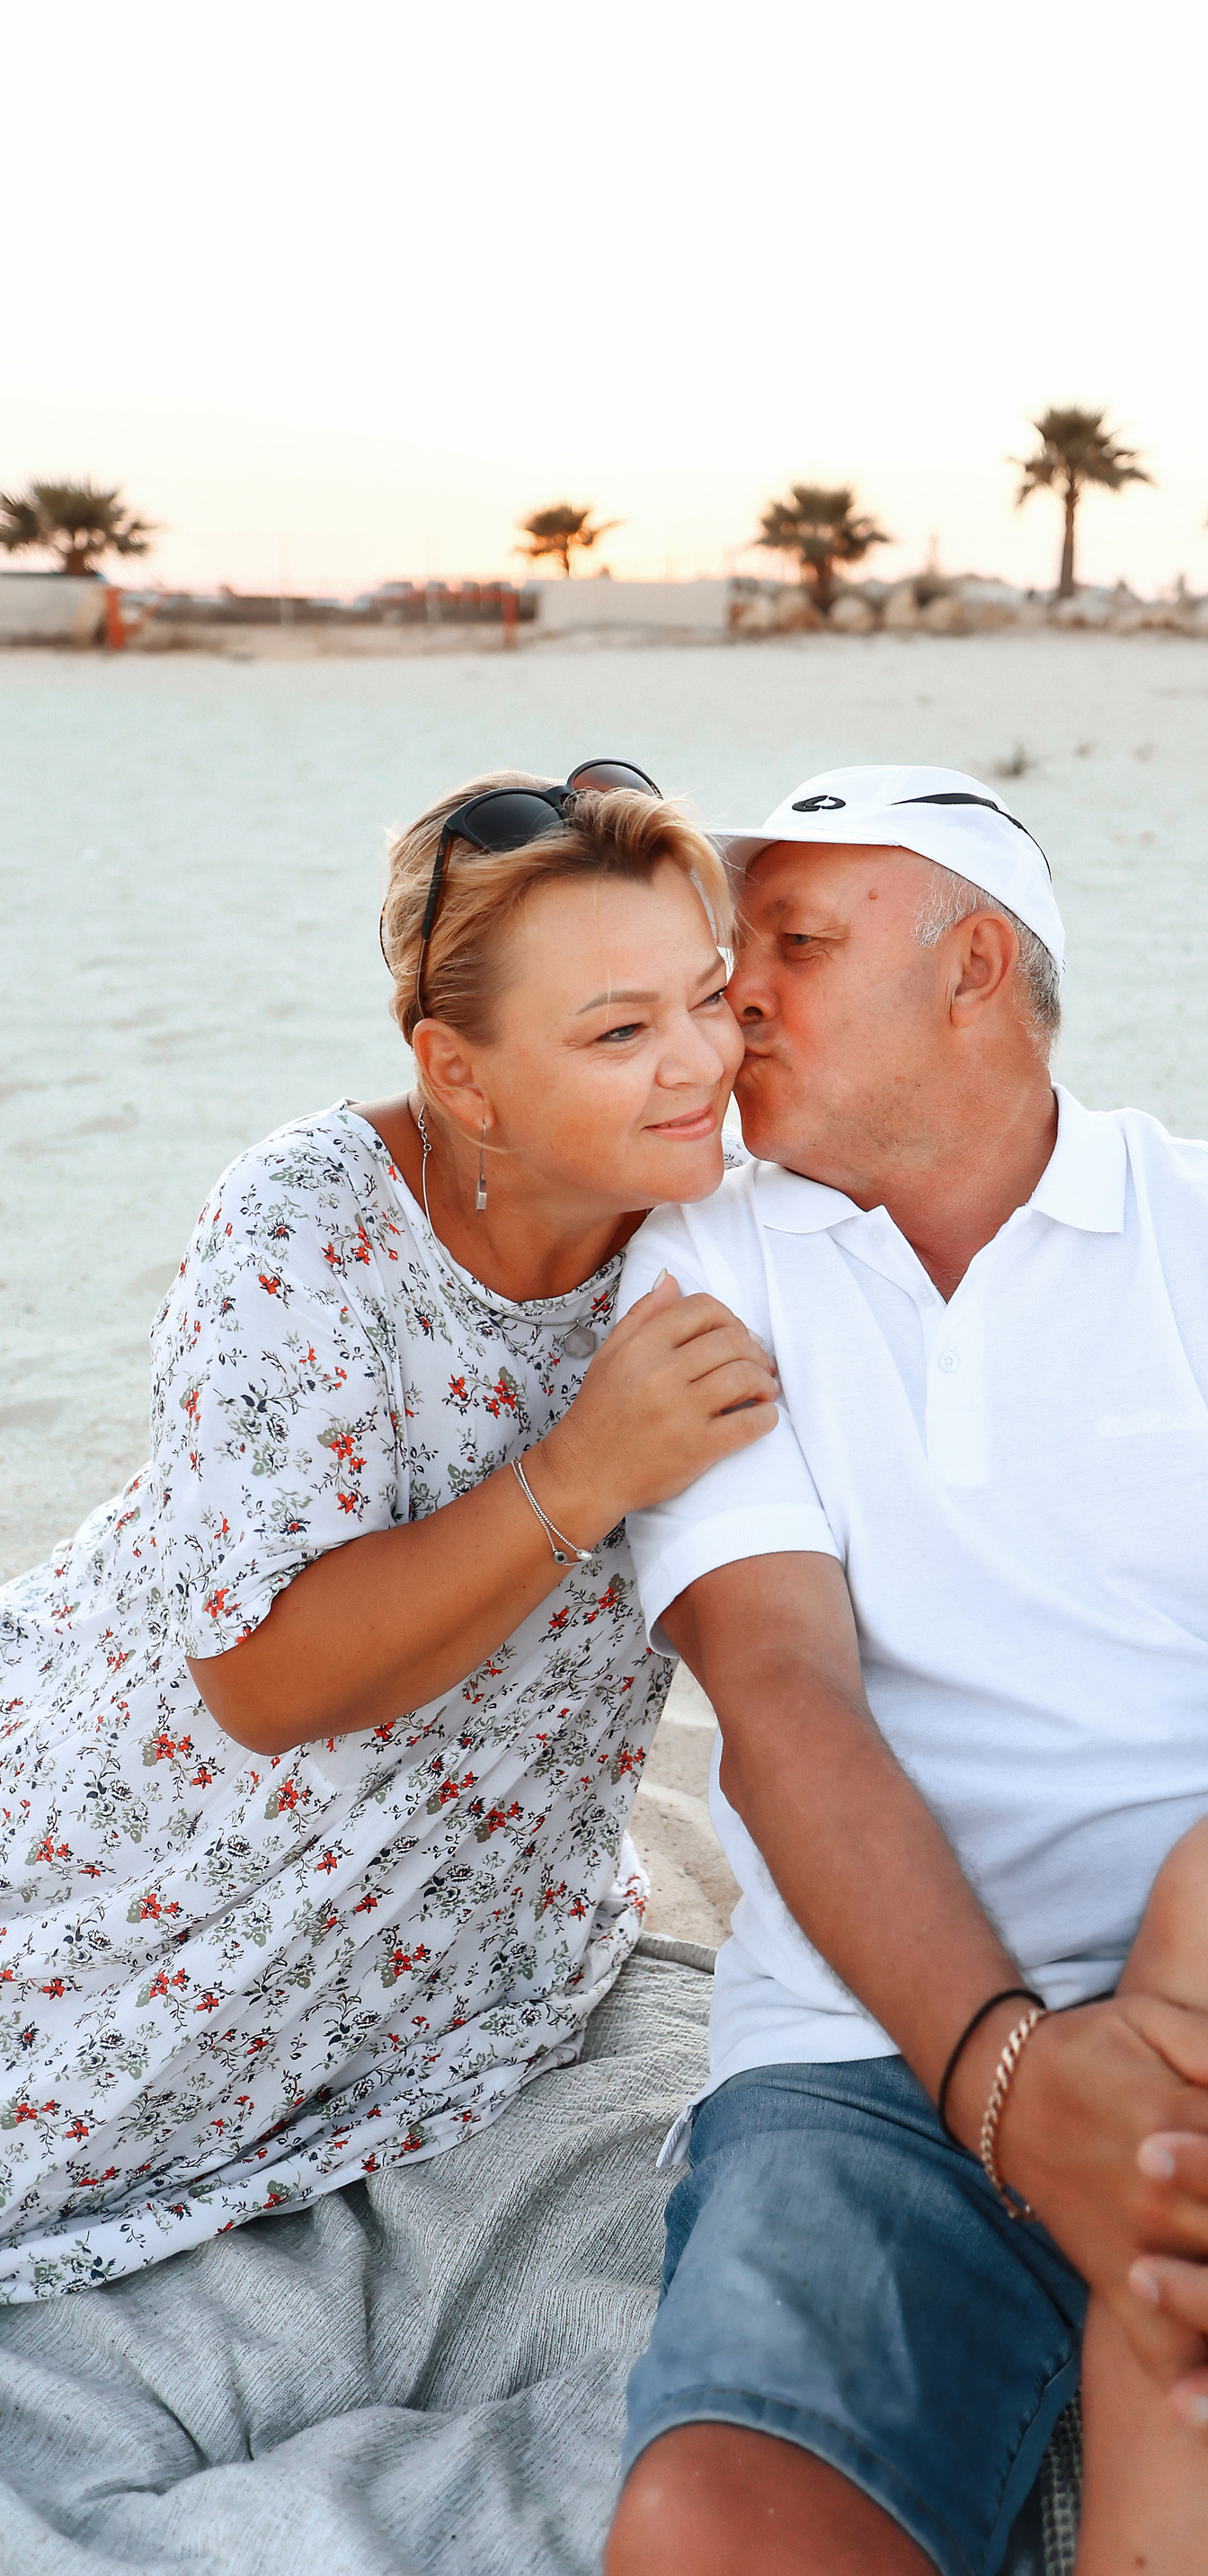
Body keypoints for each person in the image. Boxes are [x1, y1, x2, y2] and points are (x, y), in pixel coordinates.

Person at [602, 766, 1208, 2576]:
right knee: (711, 2531)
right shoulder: (704, 1259)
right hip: (867, 2053)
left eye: (796, 946)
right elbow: (780, 1701)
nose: (735, 998)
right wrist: (1014, 2080)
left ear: (975, 966)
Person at [0, 759, 777, 2301]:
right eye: (618, 1032)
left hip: (475, 1939)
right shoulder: (302, 1223)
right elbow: (262, 1685)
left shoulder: (735, 1242)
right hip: (152, 1839)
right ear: (461, 1077)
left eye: (709, 997)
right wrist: (584, 1468)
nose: (700, 1062)